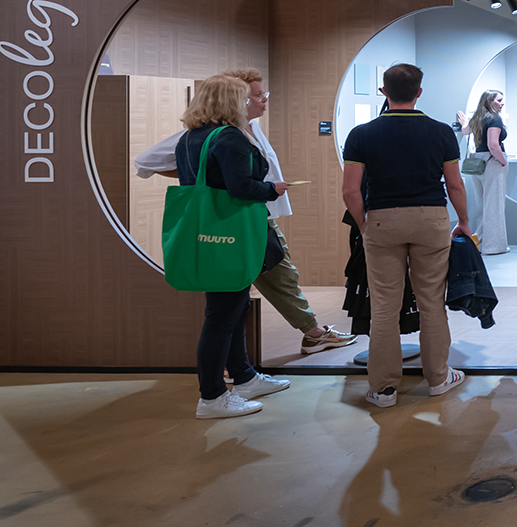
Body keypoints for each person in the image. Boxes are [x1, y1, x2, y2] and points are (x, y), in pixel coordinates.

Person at [135, 67, 354, 356]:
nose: (264, 99)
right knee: (253, 291)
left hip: (249, 216)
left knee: (238, 300)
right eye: (256, 95)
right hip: (238, 220)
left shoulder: (246, 129)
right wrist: (218, 179)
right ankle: (297, 340)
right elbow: (149, 162)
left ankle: (243, 365)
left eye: (264, 93)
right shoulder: (225, 136)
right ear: (234, 98)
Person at [342, 63, 471, 409]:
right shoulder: (441, 132)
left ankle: (383, 389)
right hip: (431, 219)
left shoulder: (361, 134)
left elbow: (351, 191)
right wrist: (464, 221)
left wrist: (365, 224)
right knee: (432, 302)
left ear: (383, 92)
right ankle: (438, 378)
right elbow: (455, 185)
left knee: (385, 306)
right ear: (419, 92)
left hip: (382, 221)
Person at [174, 74, 293, 419]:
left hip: (208, 235)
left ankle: (244, 377)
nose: (252, 102)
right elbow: (241, 187)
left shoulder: (189, 138)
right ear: (231, 101)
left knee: (232, 310)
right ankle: (212, 397)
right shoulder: (229, 138)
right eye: (245, 97)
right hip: (232, 235)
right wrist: (272, 189)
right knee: (222, 317)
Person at [467, 90, 509, 255]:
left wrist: (463, 121)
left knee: (482, 205)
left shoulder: (477, 119)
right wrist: (503, 161)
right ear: (490, 101)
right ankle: (493, 246)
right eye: (499, 100)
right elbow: (493, 145)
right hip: (492, 162)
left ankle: (480, 241)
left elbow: (465, 131)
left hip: (478, 162)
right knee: (494, 205)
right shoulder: (494, 119)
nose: (502, 103)